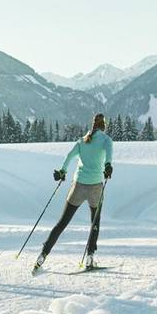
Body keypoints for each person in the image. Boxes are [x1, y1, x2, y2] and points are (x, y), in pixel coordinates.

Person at [34, 113, 113, 272]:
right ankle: (90, 258)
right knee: (94, 223)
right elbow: (108, 159)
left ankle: (43, 255)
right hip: (96, 187)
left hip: (78, 186)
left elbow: (69, 157)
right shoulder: (106, 140)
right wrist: (108, 167)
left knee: (62, 223)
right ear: (103, 125)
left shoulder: (82, 140)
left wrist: (62, 172)